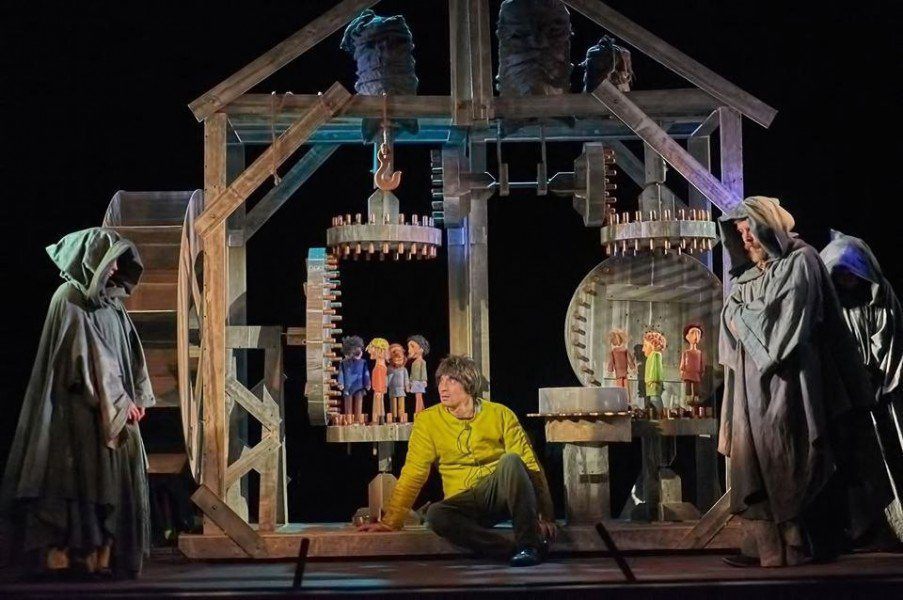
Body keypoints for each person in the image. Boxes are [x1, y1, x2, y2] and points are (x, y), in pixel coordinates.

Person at [718, 197, 891, 567]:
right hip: (752, 393)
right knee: (759, 461)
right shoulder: (746, 277)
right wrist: (743, 315)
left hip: (793, 384)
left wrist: (742, 316)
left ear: (768, 226)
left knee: (797, 456)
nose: (745, 238)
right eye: (740, 232)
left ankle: (799, 545)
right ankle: (768, 548)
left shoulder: (802, 260)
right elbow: (731, 319)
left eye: (750, 229)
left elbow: (784, 322)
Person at [0, 228, 153, 578]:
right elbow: (86, 358)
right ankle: (69, 558)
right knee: (79, 479)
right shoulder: (69, 299)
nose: (115, 268)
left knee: (110, 478)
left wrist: (137, 396)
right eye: (109, 261)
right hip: (78, 412)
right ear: (90, 260)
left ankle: (103, 557)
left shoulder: (111, 303)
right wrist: (120, 401)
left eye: (117, 262)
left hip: (113, 409)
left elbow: (130, 352)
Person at [358, 355, 556, 566]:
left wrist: (545, 514)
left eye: (451, 380)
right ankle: (509, 550)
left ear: (468, 383)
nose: (443, 388)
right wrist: (391, 521)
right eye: (440, 381)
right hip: (463, 503)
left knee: (512, 461)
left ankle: (529, 546)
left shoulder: (500, 414)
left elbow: (530, 466)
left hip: (499, 496)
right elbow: (414, 472)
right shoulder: (428, 420)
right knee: (436, 513)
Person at [821, 230, 903, 539]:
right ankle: (857, 529)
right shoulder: (831, 304)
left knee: (887, 455)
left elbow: (891, 345)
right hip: (844, 395)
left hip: (879, 393)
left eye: (851, 273)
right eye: (840, 273)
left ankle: (891, 529)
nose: (846, 279)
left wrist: (876, 384)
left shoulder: (881, 299)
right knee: (851, 463)